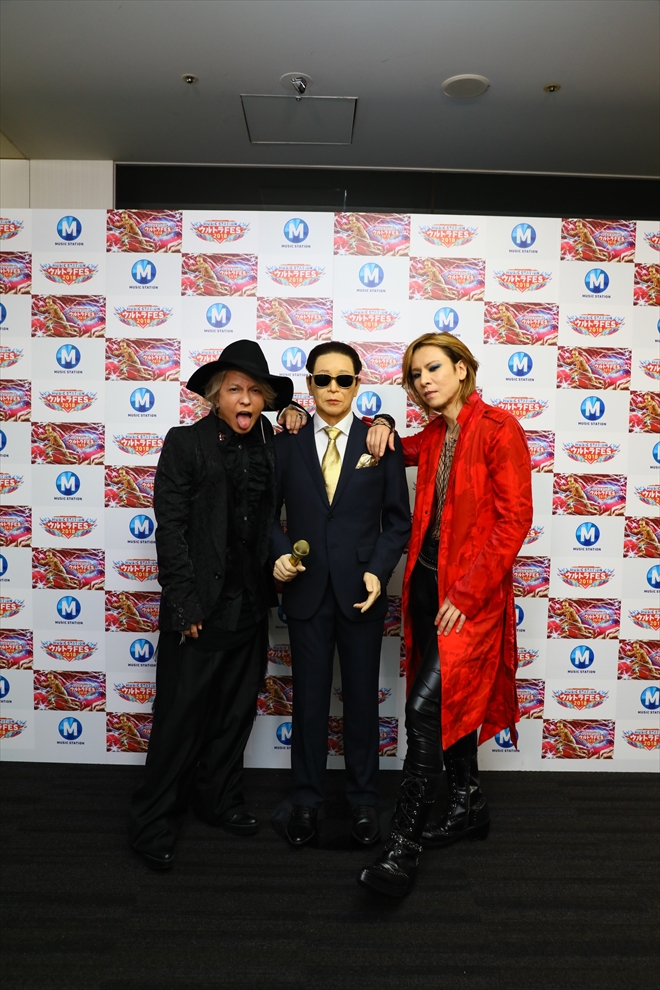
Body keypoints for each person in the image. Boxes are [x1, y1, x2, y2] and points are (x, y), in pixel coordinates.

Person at [358, 332, 533, 897]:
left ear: (461, 369)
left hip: (468, 599)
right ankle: (467, 802)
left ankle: (401, 849)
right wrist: (383, 419)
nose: (424, 380)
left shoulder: (500, 428)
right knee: (448, 703)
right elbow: (394, 448)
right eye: (415, 374)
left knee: (423, 710)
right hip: (425, 591)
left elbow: (514, 520)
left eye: (433, 368)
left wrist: (468, 593)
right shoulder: (435, 433)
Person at [130, 340, 298, 871]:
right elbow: (171, 529)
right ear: (214, 396)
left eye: (255, 391)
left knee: (234, 712)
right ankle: (154, 821)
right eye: (234, 389)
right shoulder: (185, 443)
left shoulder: (272, 441)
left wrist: (296, 412)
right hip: (199, 609)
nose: (245, 399)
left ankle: (218, 799)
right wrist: (184, 605)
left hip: (249, 605)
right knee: (179, 719)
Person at [271, 342, 411, 848]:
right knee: (308, 701)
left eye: (344, 379)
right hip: (306, 589)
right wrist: (279, 554)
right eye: (324, 379)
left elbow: (398, 522)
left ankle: (364, 800)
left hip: (361, 592)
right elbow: (267, 516)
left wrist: (377, 570)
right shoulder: (285, 443)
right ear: (309, 384)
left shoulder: (381, 442)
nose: (334, 388)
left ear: (358, 384)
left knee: (361, 700)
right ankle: (306, 801)